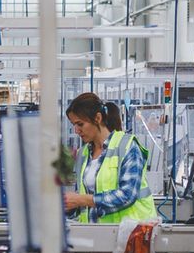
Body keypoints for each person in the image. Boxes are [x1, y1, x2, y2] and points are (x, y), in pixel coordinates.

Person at [61, 93, 160, 224]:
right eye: (74, 125)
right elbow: (81, 202)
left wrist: (81, 200)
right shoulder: (83, 154)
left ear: (97, 118)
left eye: (80, 124)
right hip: (97, 235)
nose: (76, 130)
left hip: (132, 235)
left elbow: (127, 196)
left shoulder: (127, 146)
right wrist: (66, 205)